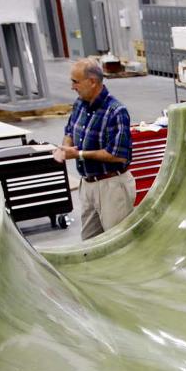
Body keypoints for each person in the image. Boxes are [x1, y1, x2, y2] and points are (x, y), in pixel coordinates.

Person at [54, 59, 135, 240]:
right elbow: (70, 131)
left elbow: (118, 155)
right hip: (88, 185)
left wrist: (78, 154)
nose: (72, 87)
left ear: (92, 82)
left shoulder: (116, 111)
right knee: (90, 243)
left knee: (117, 242)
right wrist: (65, 148)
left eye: (75, 81)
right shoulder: (79, 104)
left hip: (112, 186)